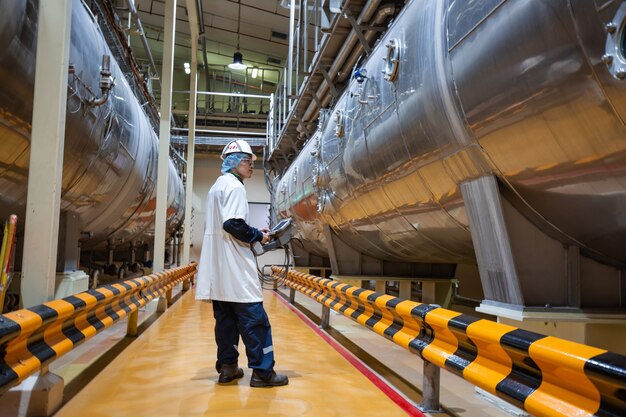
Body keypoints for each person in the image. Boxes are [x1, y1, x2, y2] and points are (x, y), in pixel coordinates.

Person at [196, 139, 289, 388]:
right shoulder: (235, 187)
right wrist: (259, 235)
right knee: (256, 322)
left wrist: (253, 231)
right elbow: (232, 224)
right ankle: (262, 373)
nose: (251, 166)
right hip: (236, 270)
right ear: (235, 162)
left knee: (226, 323)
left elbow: (226, 225)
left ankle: (227, 368)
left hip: (220, 271)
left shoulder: (217, 186)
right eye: (248, 161)